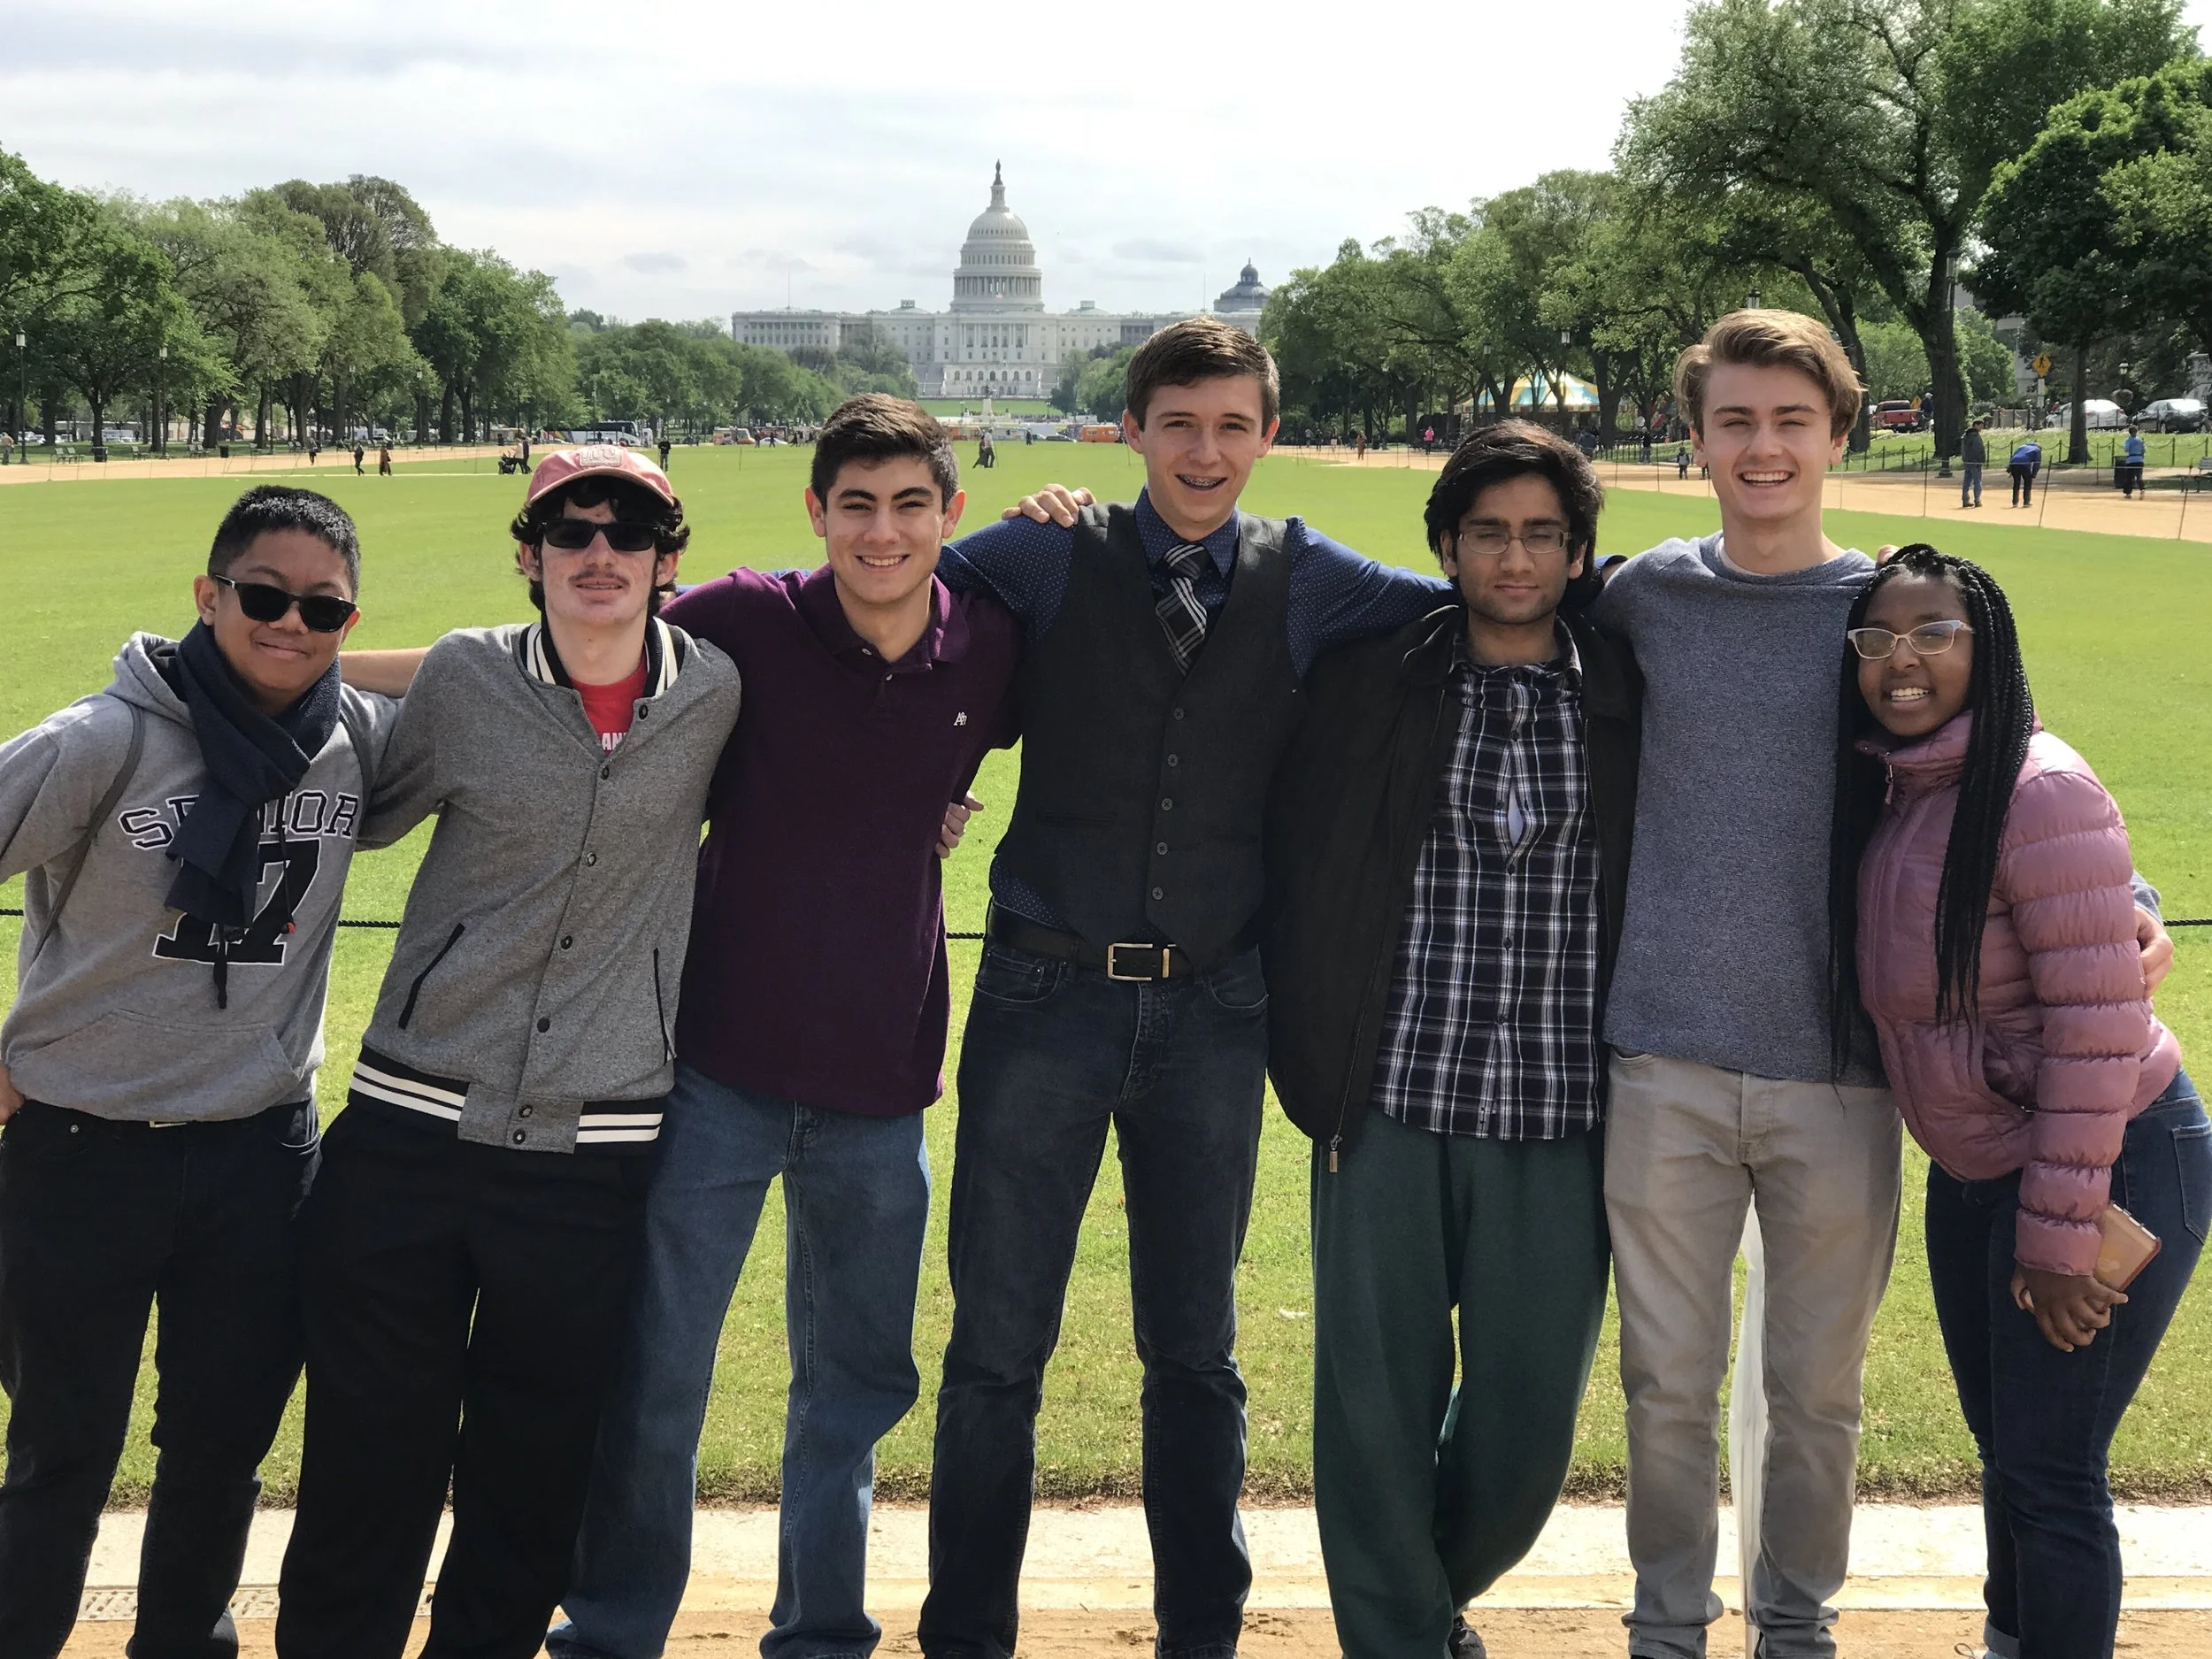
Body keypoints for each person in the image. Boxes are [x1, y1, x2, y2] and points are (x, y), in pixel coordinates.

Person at [1589, 311, 2170, 1659]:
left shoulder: (1888, 615)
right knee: (1663, 1384)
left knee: (1818, 1389)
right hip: (1664, 1055)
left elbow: (2020, 765)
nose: (1764, 446)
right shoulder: (1643, 596)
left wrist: (2133, 904)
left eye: (1793, 420)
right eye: (1735, 420)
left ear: (1840, 435)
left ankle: (1798, 1626)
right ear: (1696, 437)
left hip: (1844, 1073)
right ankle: (1666, 1627)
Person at [918, 317, 1448, 1659]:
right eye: (1178, 423)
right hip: (1045, 992)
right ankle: (966, 1631)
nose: (1204, 452)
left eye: (1232, 426)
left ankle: (1200, 1629)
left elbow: (1485, 607)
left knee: (1196, 1347)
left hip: (1215, 1005)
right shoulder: (1045, 550)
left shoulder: (1311, 575)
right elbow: (885, 596)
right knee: (995, 1346)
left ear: (1267, 433)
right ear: (1132, 428)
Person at [544, 397, 1019, 1659]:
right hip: (717, 1064)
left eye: (911, 503)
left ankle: (821, 1630)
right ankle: (611, 1625)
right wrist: (304, 666)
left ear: (950, 514)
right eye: (855, 504)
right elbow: (571, 650)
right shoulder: (748, 618)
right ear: (816, 511)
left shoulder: (991, 646)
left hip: (880, 1077)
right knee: (657, 1375)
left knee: (851, 1393)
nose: (882, 529)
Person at [273, 446, 742, 1659]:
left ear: (665, 559)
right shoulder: (470, 678)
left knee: (530, 1476)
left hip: (590, 1157)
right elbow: (350, 800)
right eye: (571, 530)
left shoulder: (719, 693)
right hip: (409, 1135)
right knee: (369, 1461)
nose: (600, 551)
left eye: (627, 530)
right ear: (529, 556)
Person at [1265, 421, 1640, 1659]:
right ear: (1445, 544)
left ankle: (1422, 1595)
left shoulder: (1629, 688)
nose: (1515, 556)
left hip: (1561, 1103)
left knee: (1529, 1425)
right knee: (1371, 1408)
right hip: (1391, 1090)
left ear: (1581, 553)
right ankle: (1403, 1638)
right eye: (1489, 531)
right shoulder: (1370, 675)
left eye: (1542, 533)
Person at [0, 486, 395, 1659]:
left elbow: (492, 682)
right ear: (207, 594)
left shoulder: (356, 738)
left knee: (223, 1441)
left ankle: (181, 1638)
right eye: (261, 595)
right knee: (64, 1444)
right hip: (81, 1144)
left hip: (258, 1147)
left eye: (321, 608)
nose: (290, 624)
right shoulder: (104, 738)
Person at [1830, 544, 2203, 1659]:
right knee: (2010, 1450)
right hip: (1982, 1167)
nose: (1903, 661)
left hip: (2109, 1159)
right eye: (1876, 639)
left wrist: (2059, 1232)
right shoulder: (1903, 787)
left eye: (1935, 633)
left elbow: (2096, 1036)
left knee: (2050, 1470)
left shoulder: (2034, 786)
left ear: (1984, 647)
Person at [2008, 436, 2042, 507]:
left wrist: (2010, 470)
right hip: (2025, 464)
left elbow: (2014, 456)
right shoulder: (2037, 450)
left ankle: (2015, 502)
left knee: (2016, 483)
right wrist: (2034, 474)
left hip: (2015, 464)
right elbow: (2037, 463)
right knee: (2027, 482)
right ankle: (2026, 502)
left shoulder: (2021, 447)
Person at [1961, 418, 1985, 508]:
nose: (1981, 428)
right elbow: (1978, 449)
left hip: (1967, 461)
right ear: (1976, 425)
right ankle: (1977, 500)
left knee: (1966, 482)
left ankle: (1965, 500)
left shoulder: (1965, 435)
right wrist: (1981, 460)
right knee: (1977, 482)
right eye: (1981, 426)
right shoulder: (1975, 436)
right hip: (1975, 463)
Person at [2121, 423, 2146, 496]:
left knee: (2129, 477)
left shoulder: (2128, 440)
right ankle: (2142, 489)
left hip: (2131, 460)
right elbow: (2143, 450)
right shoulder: (2140, 440)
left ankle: (2128, 493)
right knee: (2139, 477)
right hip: (2139, 460)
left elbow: (2126, 449)